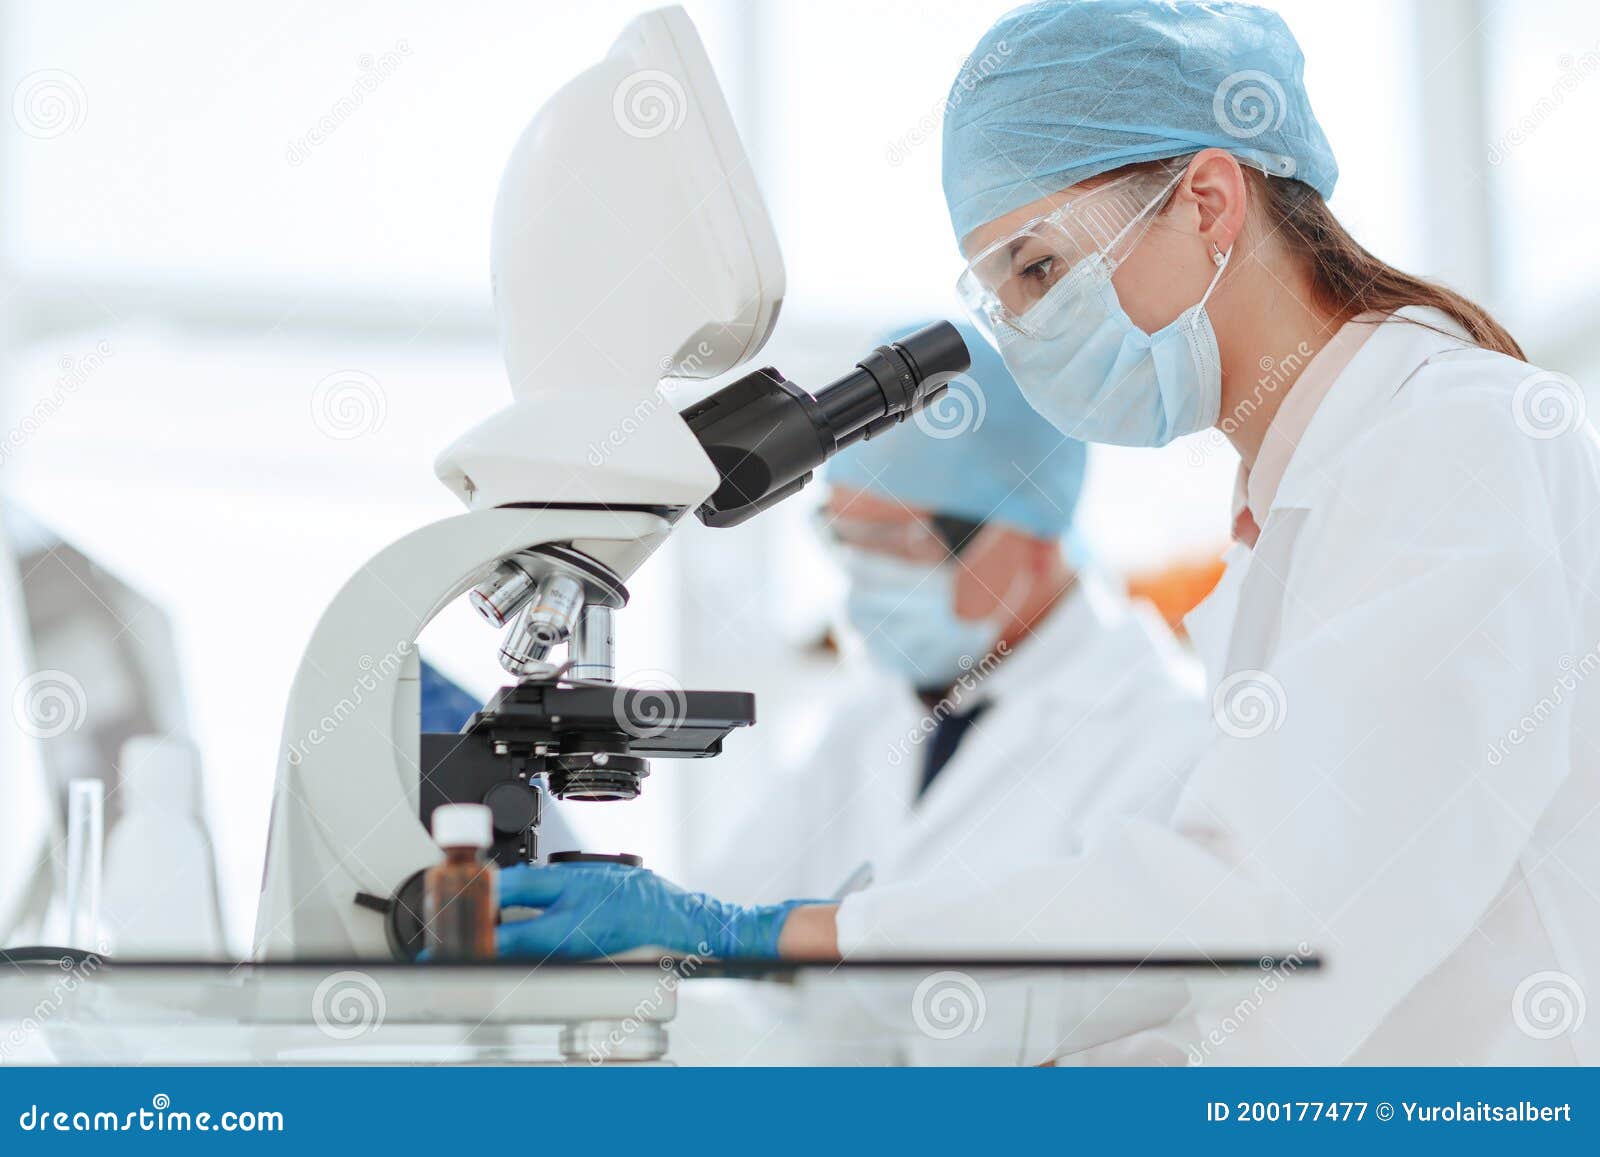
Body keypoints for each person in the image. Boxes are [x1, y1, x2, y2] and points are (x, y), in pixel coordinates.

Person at [494, 0, 1600, 1066]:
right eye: (1001, 294)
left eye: (1039, 268)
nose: (1024, 332)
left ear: (1208, 203)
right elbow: (1230, 970)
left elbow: (1255, 897)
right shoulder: (1305, 489)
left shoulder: (1452, 440)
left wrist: (769, 933)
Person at [689, 322, 1208, 919]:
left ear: (1036, 539)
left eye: (896, 542)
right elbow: (725, 911)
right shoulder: (874, 716)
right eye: (847, 538)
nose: (864, 577)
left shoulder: (1167, 741)